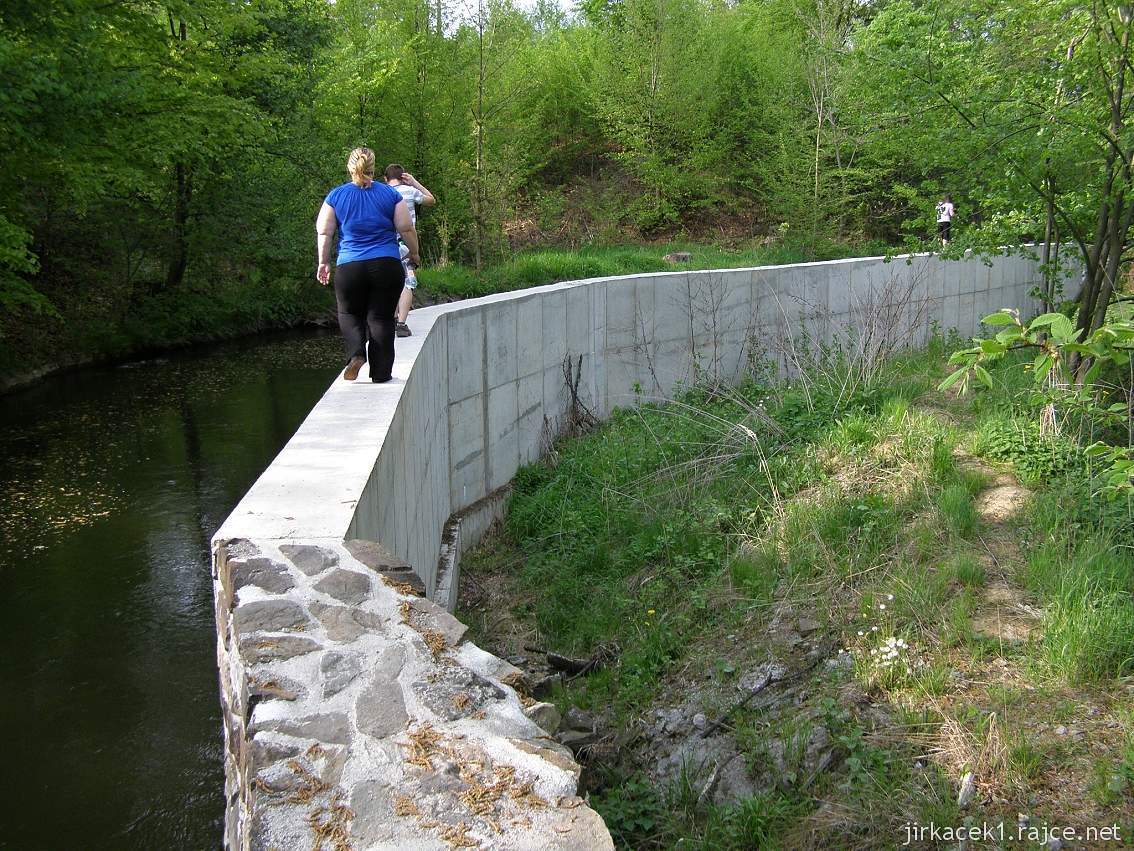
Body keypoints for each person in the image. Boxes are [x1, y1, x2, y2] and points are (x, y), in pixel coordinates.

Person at [316, 147, 421, 383]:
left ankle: (355, 355)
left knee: (349, 313)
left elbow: (324, 231)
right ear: (374, 166)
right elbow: (406, 228)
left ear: (349, 166)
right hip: (386, 264)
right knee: (381, 318)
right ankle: (381, 373)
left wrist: (323, 262)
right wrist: (414, 253)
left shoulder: (336, 196)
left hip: (350, 266)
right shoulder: (390, 194)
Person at [383, 164, 436, 337]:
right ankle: (401, 324)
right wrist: (415, 183)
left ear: (385, 178)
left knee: (388, 282)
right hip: (406, 243)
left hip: (385, 243)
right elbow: (431, 199)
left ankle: (390, 319)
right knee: (407, 282)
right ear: (403, 176)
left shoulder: (381, 193)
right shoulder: (410, 191)